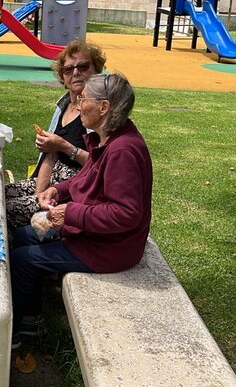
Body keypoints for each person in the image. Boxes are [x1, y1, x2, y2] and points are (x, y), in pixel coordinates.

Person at [10, 73, 153, 348]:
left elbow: (126, 213)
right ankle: (32, 312)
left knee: (23, 260)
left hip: (108, 248)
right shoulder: (107, 138)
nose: (77, 104)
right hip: (94, 235)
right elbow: (86, 177)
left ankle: (22, 330)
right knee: (24, 236)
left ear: (104, 107)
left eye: (83, 99)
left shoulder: (122, 150)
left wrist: (70, 214)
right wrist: (58, 190)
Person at [5, 38, 106, 232]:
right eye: (68, 69)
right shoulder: (63, 105)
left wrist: (65, 147)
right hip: (51, 183)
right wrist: (38, 195)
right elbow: (50, 156)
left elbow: (102, 166)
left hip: (75, 192)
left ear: (96, 70)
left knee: (5, 210)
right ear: (63, 77)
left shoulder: (99, 112)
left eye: (83, 66)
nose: (75, 73)